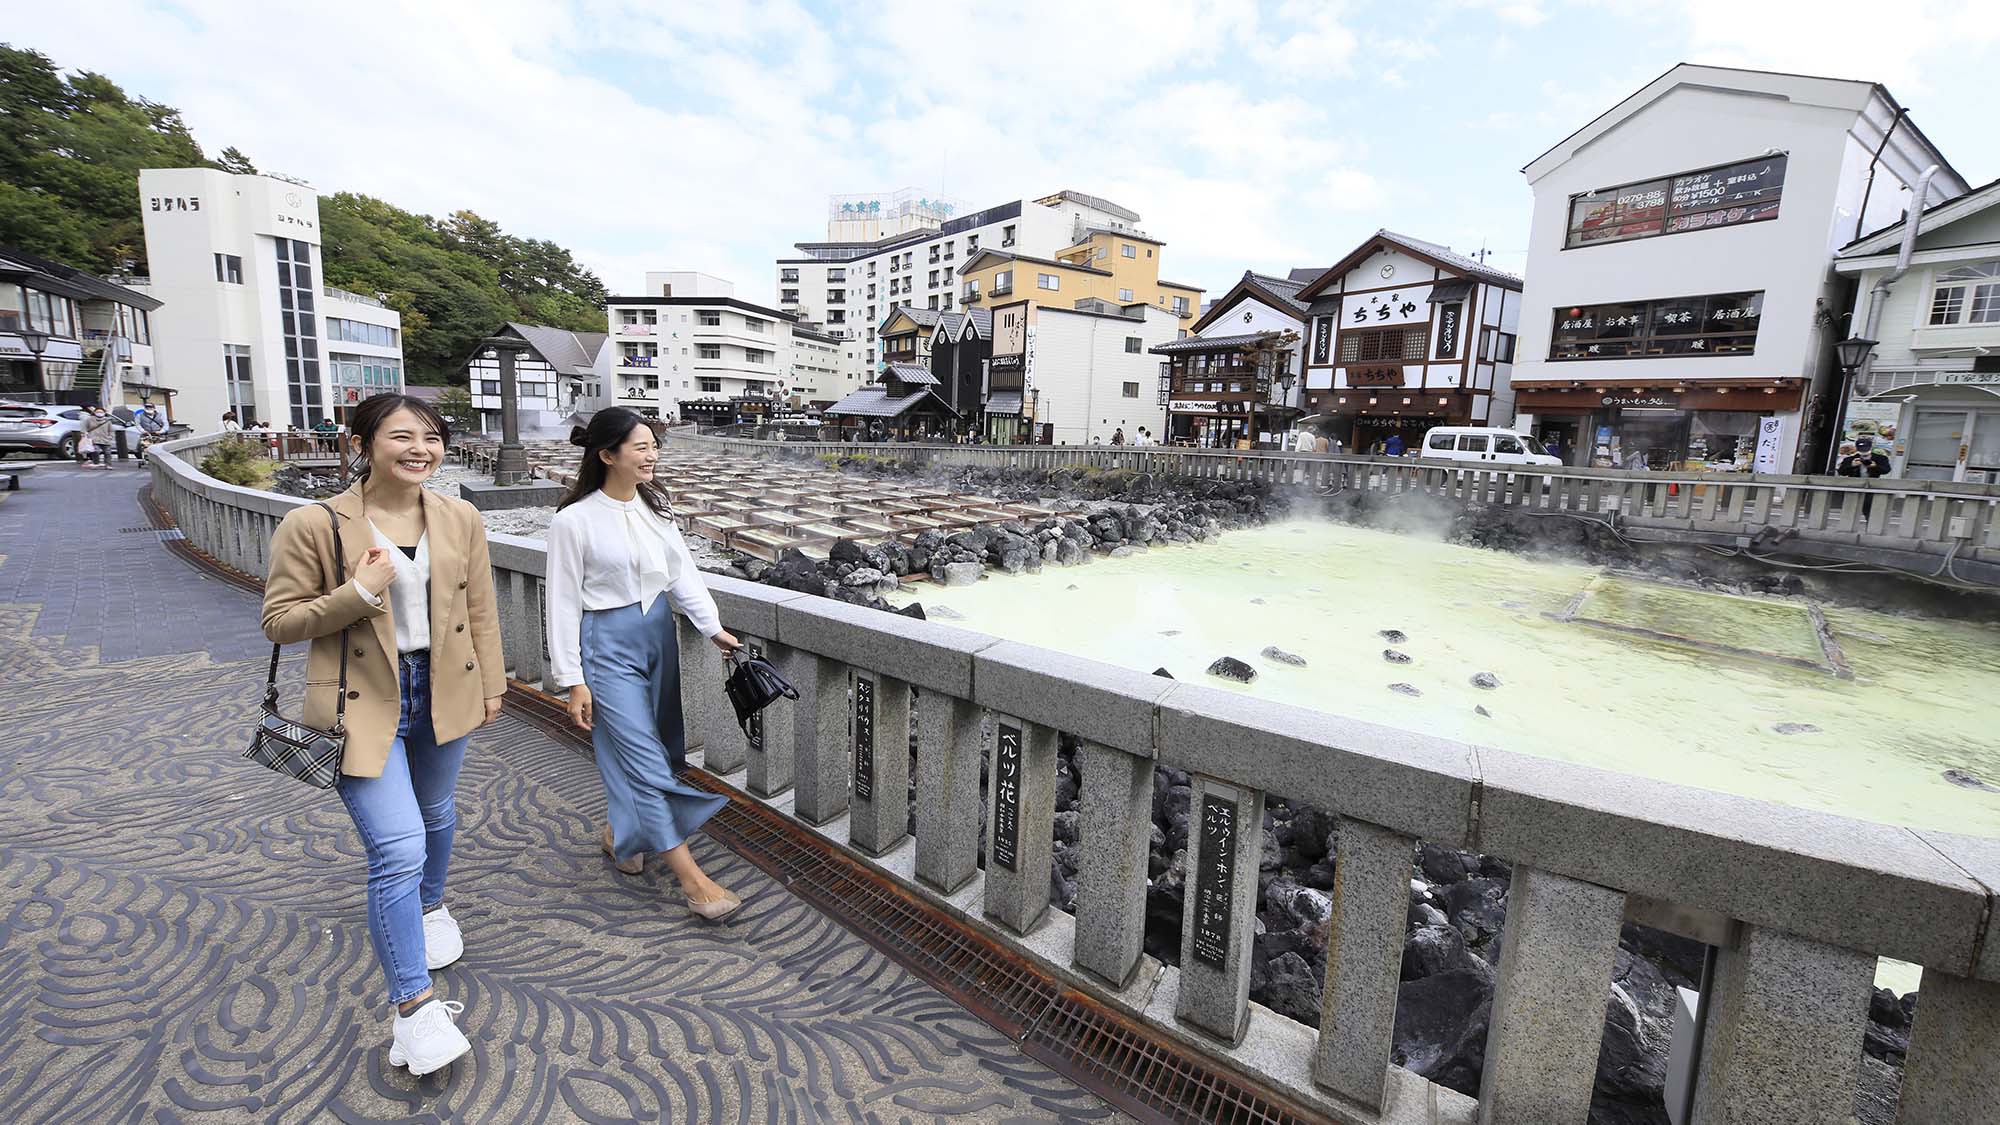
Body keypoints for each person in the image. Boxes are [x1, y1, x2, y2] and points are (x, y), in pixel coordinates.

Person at [260, 392, 505, 1078]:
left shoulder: (459, 515)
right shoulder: (314, 524)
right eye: (403, 435)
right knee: (396, 847)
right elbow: (279, 621)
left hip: (444, 686)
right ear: (363, 443)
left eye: (432, 436)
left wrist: (493, 683)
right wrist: (358, 593)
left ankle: (431, 905)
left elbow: (479, 609)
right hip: (361, 698)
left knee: (436, 813)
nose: (420, 448)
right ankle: (414, 1007)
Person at [545, 408, 746, 919]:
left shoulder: (657, 509)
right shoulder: (573, 520)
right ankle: (694, 882)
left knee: (660, 743)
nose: (652, 454)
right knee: (644, 758)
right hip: (607, 642)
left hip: (658, 633)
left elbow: (683, 576)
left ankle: (621, 833)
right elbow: (563, 603)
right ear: (607, 455)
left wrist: (712, 628)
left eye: (654, 445)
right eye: (641, 446)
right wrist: (572, 680)